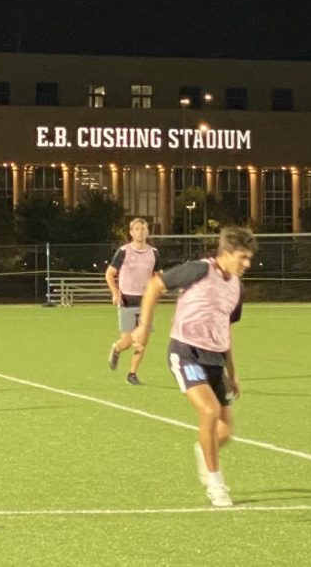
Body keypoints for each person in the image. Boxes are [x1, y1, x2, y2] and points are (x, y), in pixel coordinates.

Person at [132, 226, 256, 508]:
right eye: (243, 257)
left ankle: (205, 450)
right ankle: (216, 485)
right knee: (209, 411)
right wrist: (143, 326)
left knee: (224, 432)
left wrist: (233, 373)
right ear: (226, 253)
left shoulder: (236, 287)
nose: (247, 264)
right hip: (186, 352)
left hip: (215, 360)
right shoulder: (199, 270)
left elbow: (226, 329)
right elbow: (155, 284)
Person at [105, 217, 163, 385]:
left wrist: (162, 285)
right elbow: (109, 274)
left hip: (146, 302)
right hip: (127, 301)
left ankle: (132, 374)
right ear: (131, 232)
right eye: (137, 229)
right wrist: (115, 292)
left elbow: (158, 275)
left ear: (148, 231)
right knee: (128, 341)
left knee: (142, 342)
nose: (140, 231)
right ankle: (116, 348)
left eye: (143, 229)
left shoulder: (154, 253)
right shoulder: (123, 251)